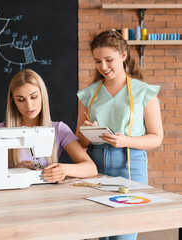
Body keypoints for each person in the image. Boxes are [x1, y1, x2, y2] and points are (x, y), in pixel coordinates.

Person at [76, 30, 163, 240]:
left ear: (123, 55)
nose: (103, 67)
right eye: (97, 61)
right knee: (98, 232)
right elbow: (80, 142)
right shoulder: (88, 94)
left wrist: (125, 141)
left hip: (130, 164)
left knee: (124, 230)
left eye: (109, 60)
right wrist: (89, 131)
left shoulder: (144, 92)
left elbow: (156, 137)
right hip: (95, 166)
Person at [3, 69, 97, 182]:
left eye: (34, 97)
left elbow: (91, 168)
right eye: (21, 100)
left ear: (43, 96)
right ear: (14, 102)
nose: (29, 105)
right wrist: (14, 171)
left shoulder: (59, 129)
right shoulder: (0, 132)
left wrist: (64, 169)